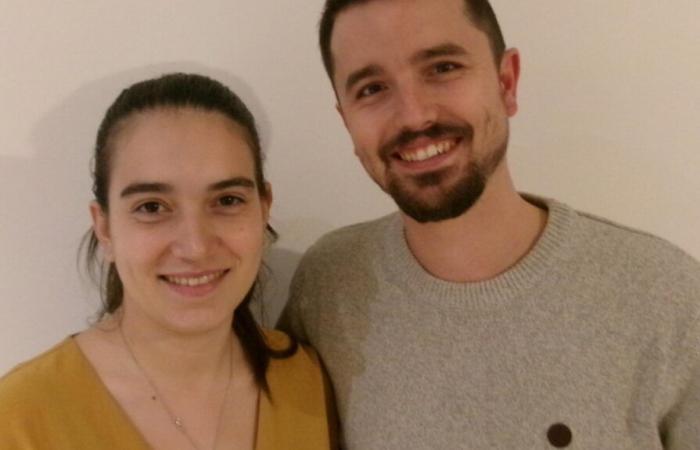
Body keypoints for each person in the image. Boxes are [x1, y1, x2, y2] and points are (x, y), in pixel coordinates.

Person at [277, 0, 700, 448]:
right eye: (371, 89)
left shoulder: (666, 297)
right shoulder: (328, 286)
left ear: (506, 82)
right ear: (346, 120)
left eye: (442, 67)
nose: (415, 115)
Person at [0, 73, 336, 449]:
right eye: (152, 207)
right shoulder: (19, 418)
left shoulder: (309, 379)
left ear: (263, 209)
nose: (195, 246)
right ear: (105, 227)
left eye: (227, 200)